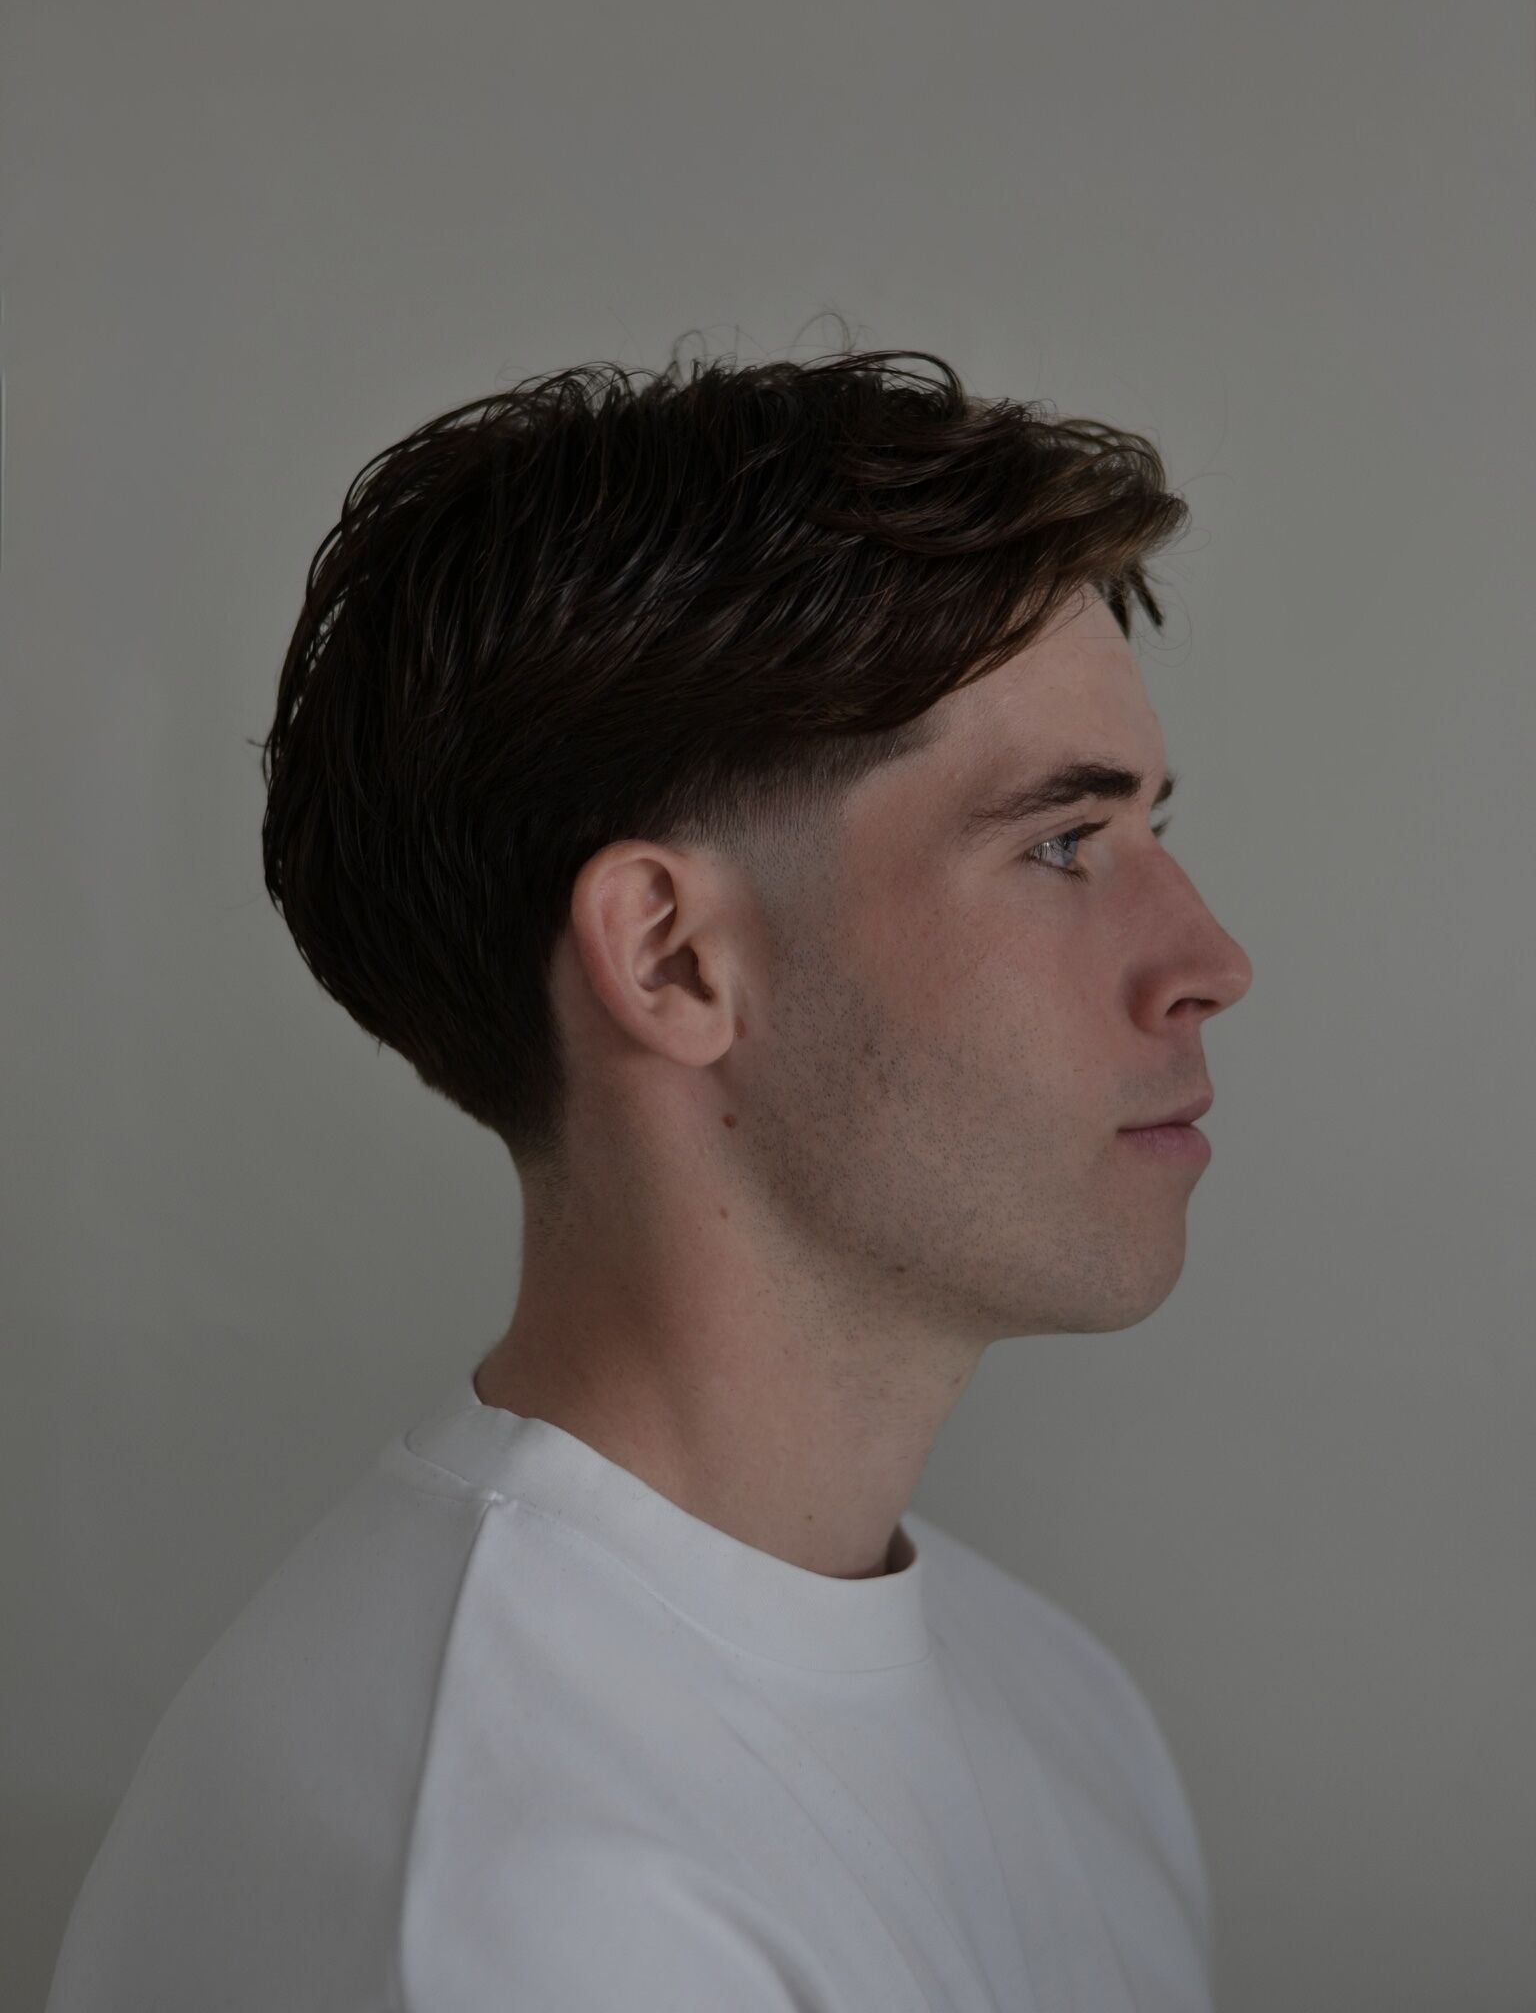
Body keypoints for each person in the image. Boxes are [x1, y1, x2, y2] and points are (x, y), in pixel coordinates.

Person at [48, 342, 1252, 2012]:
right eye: (1061, 843)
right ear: (673, 957)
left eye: (1152, 835)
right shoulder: (518, 1910)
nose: (1209, 964)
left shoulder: (1060, 1703)